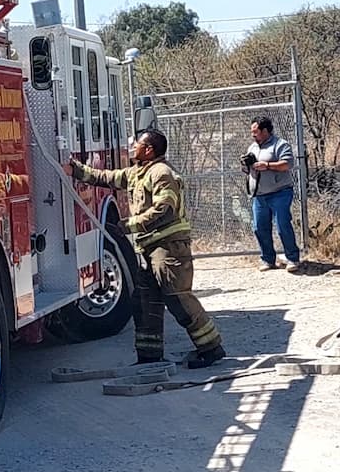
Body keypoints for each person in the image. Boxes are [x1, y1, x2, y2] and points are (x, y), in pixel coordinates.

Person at [66, 130, 225, 368]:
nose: (132, 147)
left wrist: (130, 225)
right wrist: (74, 169)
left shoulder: (161, 173)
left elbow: (165, 208)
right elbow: (106, 177)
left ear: (148, 150)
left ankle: (211, 349)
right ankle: (149, 357)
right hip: (149, 248)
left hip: (168, 248)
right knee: (143, 301)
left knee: (178, 299)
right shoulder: (136, 173)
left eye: (136, 144)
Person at [242, 116, 302, 272]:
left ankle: (292, 258)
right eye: (252, 132)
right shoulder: (252, 148)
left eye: (255, 132)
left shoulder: (280, 145)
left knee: (283, 226)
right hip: (259, 195)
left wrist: (267, 165)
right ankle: (268, 259)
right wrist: (247, 166)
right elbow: (250, 170)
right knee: (259, 227)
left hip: (280, 193)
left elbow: (287, 164)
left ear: (265, 131)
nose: (253, 135)